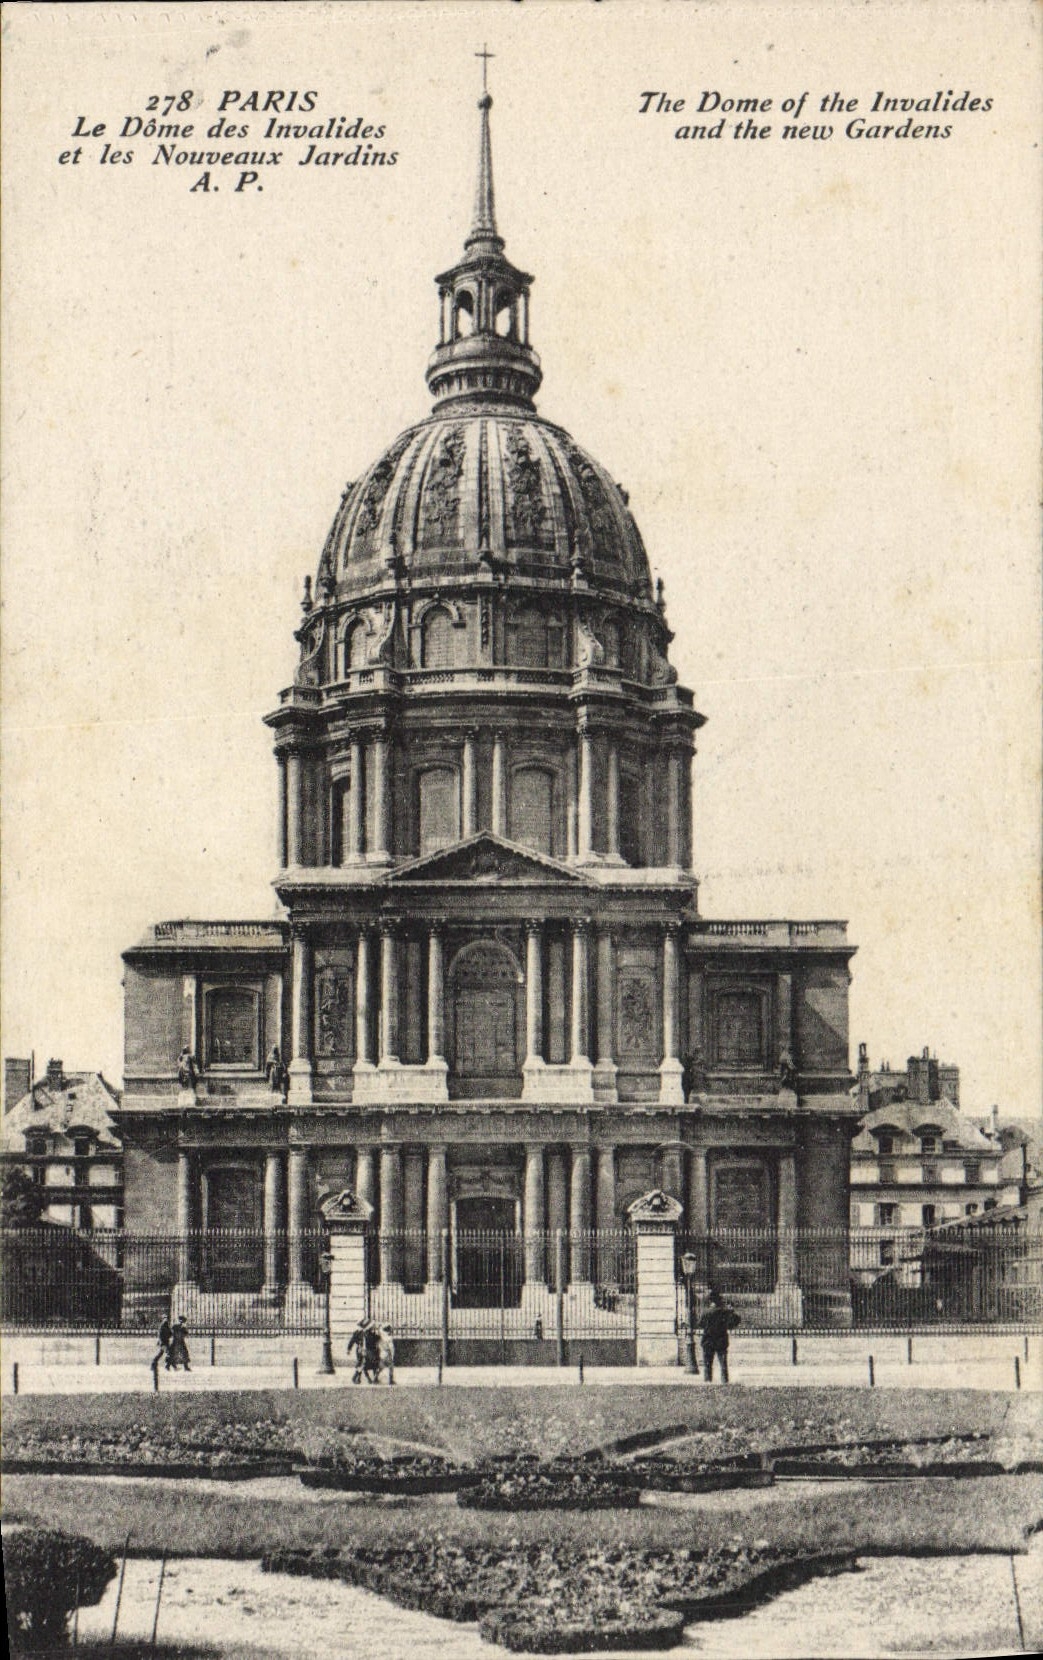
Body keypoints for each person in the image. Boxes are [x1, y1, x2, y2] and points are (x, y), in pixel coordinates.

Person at [700, 1288, 740, 1383]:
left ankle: (708, 1380)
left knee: (708, 1363)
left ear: (710, 1301)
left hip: (708, 1340)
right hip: (721, 1340)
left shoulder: (706, 1312)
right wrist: (732, 1312)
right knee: (723, 1363)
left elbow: (700, 1324)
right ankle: (724, 1380)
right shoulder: (725, 1312)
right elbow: (733, 1323)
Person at [151, 1315, 172, 1379]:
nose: (166, 1320)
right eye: (165, 1318)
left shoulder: (166, 1326)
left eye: (167, 1318)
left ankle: (154, 1363)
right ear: (163, 1319)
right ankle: (167, 1366)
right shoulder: (162, 1326)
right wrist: (161, 1342)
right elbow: (160, 1335)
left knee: (161, 1354)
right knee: (168, 1353)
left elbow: (170, 1333)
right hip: (163, 1343)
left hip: (166, 1342)